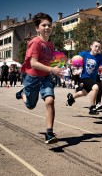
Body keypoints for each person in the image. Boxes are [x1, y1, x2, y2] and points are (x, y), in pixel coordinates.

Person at [15, 13, 63, 144]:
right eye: (44, 25)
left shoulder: (51, 45)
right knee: (31, 106)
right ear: (37, 28)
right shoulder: (35, 43)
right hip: (32, 78)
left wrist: (60, 66)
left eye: (49, 25)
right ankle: (23, 93)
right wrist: (52, 69)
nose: (47, 27)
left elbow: (52, 61)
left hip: (46, 77)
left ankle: (49, 133)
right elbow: (33, 63)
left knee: (50, 101)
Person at [66, 40, 102, 115]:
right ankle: (92, 107)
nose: (97, 48)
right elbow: (76, 59)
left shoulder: (100, 57)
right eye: (96, 46)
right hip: (84, 78)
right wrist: (70, 61)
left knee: (83, 93)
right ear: (91, 46)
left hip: (92, 79)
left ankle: (71, 98)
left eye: (99, 47)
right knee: (95, 87)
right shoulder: (85, 54)